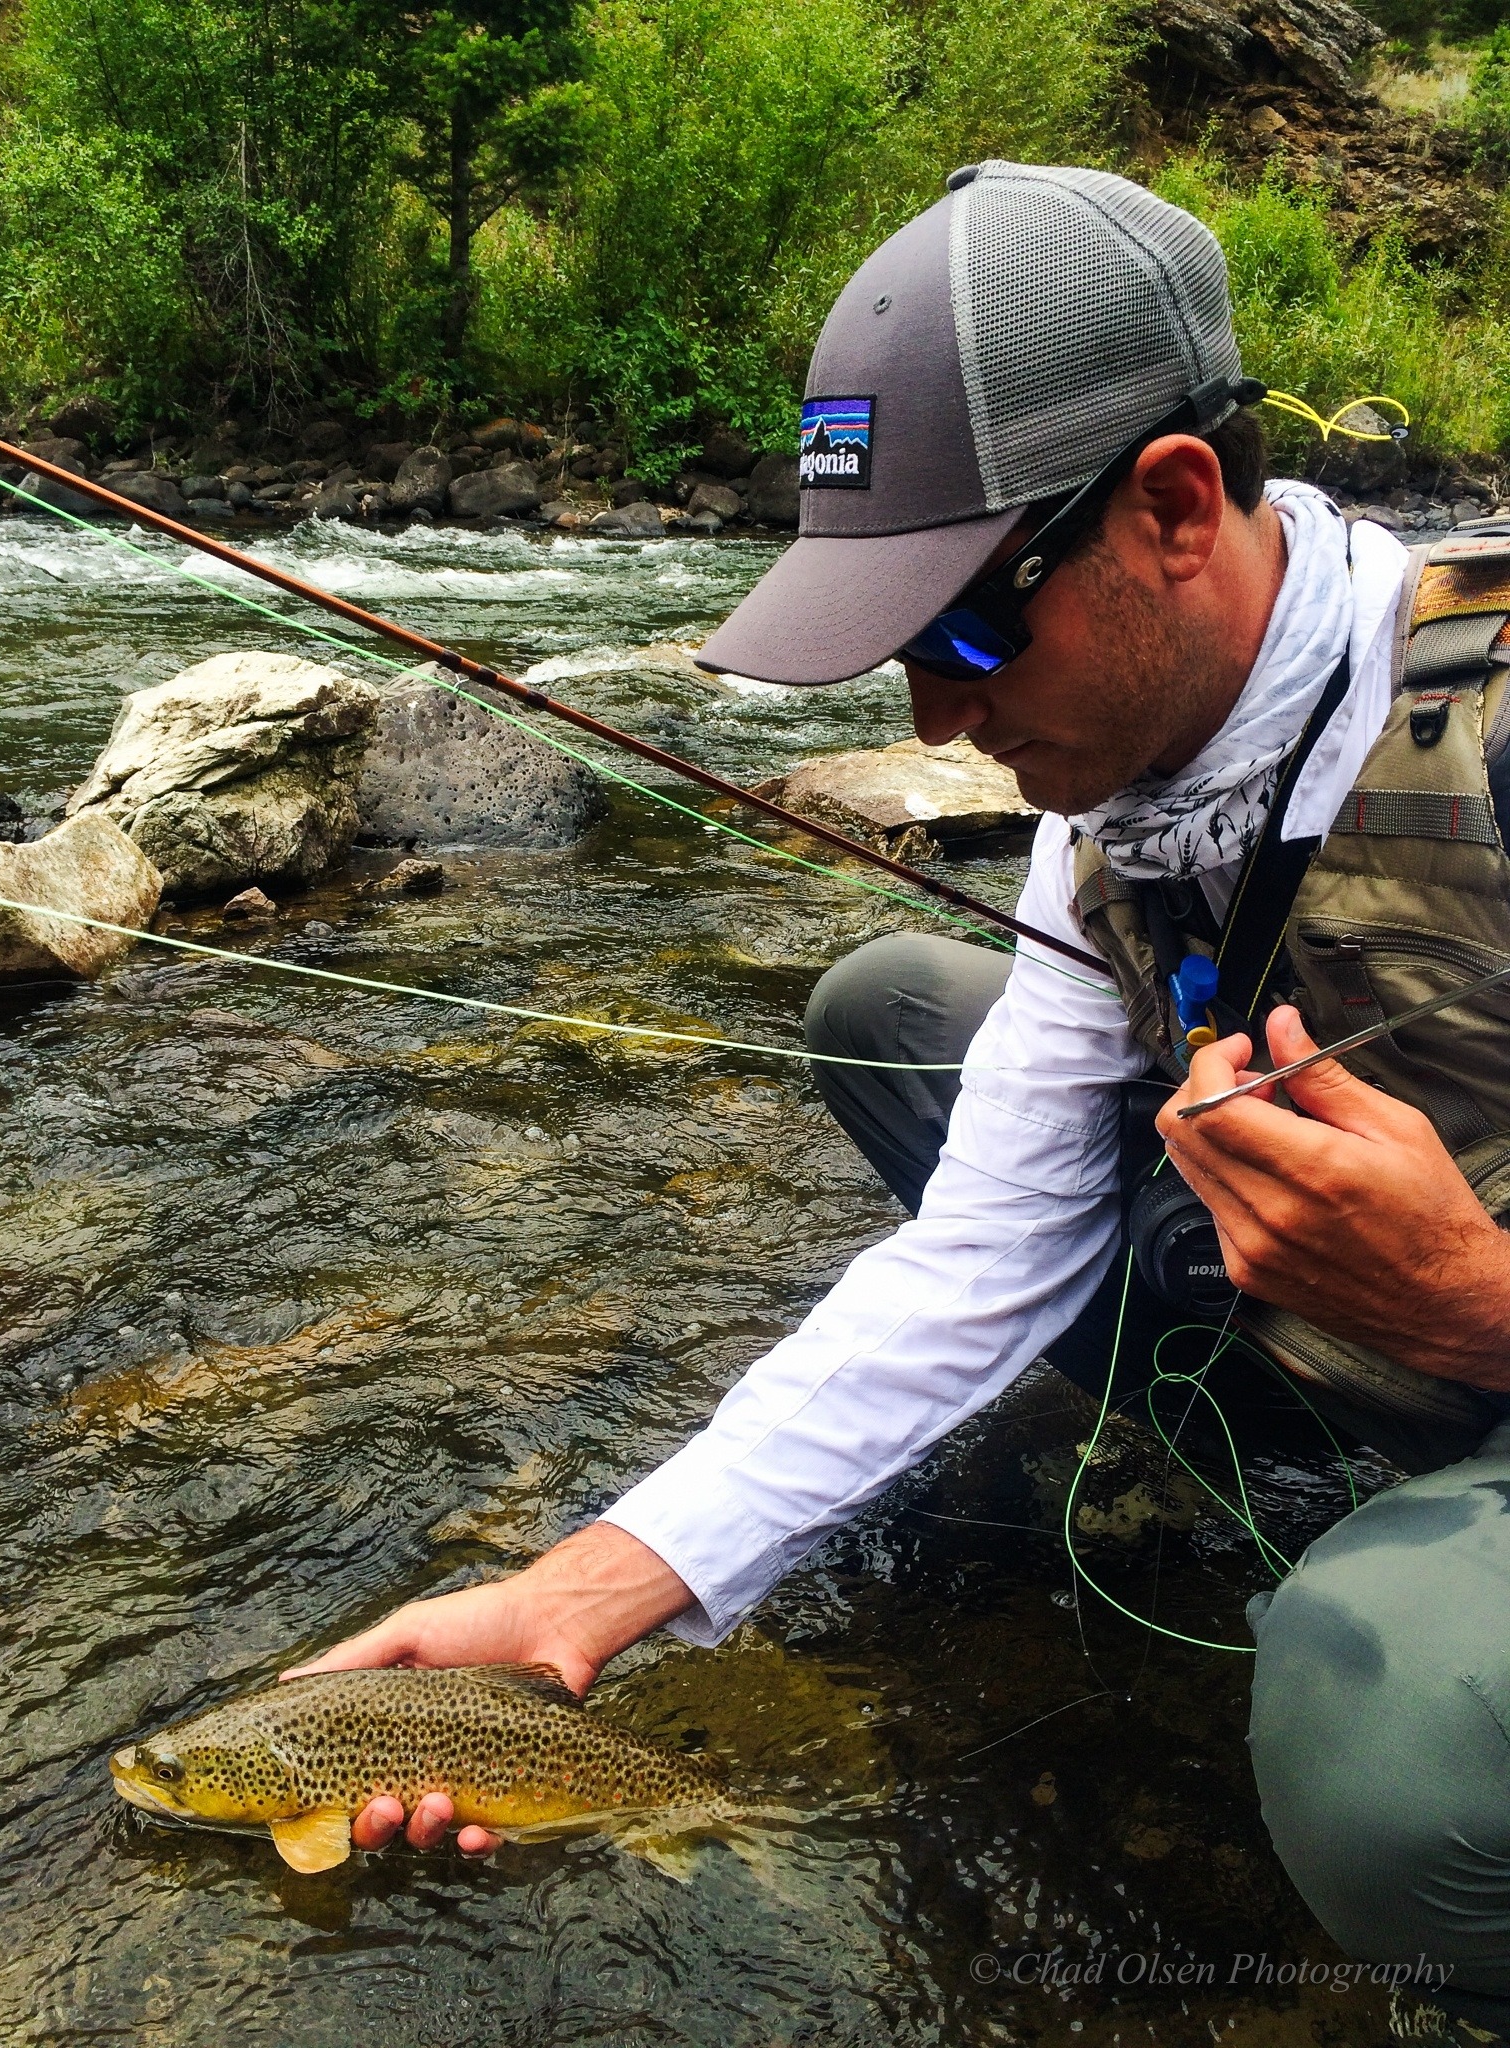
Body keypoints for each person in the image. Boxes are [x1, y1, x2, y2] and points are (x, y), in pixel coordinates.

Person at [285, 163, 1510, 2033]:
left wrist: (1475, 1308)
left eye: (965, 635)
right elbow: (986, 1246)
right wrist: (581, 1591)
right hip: (1376, 1327)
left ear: (1176, 508)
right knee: (892, 1014)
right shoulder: (1114, 801)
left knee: (1397, 1754)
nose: (937, 724)